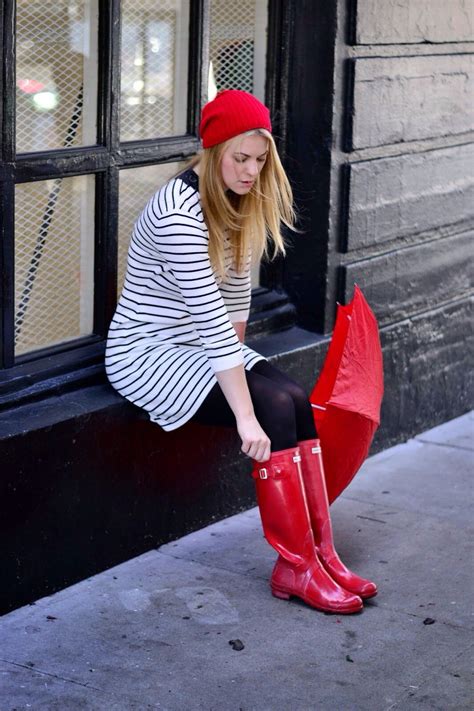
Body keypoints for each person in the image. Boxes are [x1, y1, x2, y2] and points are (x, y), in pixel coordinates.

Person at [105, 89, 377, 614]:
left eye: (259, 160)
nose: (251, 171)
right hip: (146, 352)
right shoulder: (176, 212)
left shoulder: (236, 201)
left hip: (201, 349)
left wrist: (251, 370)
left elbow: (232, 305)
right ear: (212, 152)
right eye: (240, 159)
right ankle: (295, 568)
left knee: (293, 397)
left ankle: (321, 554)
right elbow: (207, 320)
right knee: (272, 409)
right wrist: (246, 416)